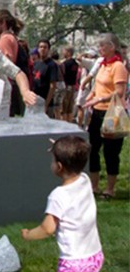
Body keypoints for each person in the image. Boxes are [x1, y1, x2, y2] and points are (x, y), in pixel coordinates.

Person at [22, 135, 103, 272]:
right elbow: (75, 158)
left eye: (53, 160)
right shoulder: (85, 180)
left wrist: (28, 235)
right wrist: (61, 148)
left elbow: (47, 229)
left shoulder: (58, 196)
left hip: (74, 263)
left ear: (59, 166)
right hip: (95, 255)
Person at [83, 32, 127, 199]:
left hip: (112, 112)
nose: (99, 48)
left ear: (112, 47)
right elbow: (98, 84)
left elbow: (119, 91)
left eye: (102, 45)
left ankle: (110, 188)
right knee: (93, 149)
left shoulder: (118, 67)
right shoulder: (102, 65)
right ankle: (94, 186)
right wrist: (92, 94)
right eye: (99, 45)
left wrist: (100, 98)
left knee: (110, 152)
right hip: (97, 111)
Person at [33, 39, 60, 118]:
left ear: (48, 49)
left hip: (46, 102)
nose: (42, 49)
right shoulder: (36, 63)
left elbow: (53, 86)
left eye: (45, 47)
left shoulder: (51, 65)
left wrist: (46, 104)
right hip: (35, 102)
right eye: (41, 47)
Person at [60, 47, 79, 123]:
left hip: (66, 86)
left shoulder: (65, 64)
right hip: (73, 87)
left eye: (64, 51)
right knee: (70, 108)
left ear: (68, 52)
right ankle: (70, 124)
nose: (62, 53)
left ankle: (64, 126)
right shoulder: (76, 64)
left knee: (63, 108)